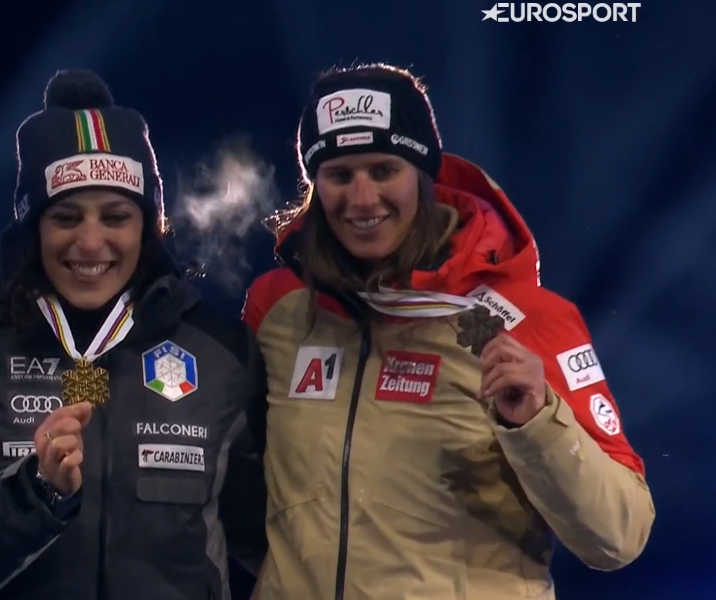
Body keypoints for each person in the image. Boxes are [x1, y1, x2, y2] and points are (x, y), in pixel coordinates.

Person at [242, 63, 655, 600]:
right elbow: (240, 490)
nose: (362, 199)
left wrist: (538, 423)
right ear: (315, 186)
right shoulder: (280, 308)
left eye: (384, 170)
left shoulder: (523, 317)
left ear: (423, 174)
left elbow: (619, 536)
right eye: (340, 175)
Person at [0, 69, 267, 600]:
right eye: (66, 217)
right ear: (32, 227)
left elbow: (277, 540)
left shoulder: (222, 353)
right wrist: (33, 494)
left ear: (147, 226)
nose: (91, 243)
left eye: (116, 217)